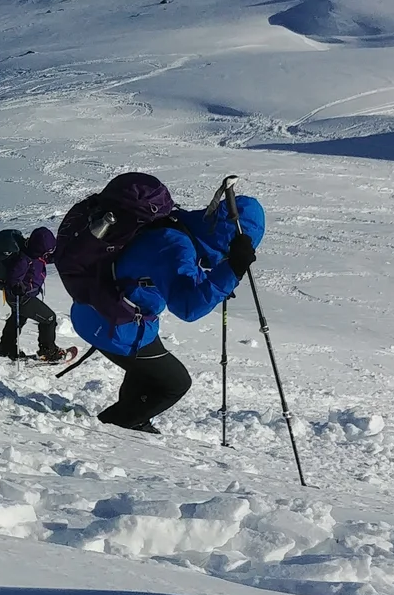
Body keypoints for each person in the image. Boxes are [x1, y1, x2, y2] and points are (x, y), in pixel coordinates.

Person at [55, 173, 261, 434]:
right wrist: (231, 270)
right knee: (174, 383)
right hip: (112, 325)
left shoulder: (181, 224)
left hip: (98, 310)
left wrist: (218, 276)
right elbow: (187, 307)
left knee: (149, 368)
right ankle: (114, 426)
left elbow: (175, 269)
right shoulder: (175, 246)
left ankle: (133, 417)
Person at [0, 227, 67, 362]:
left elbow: (47, 258)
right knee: (49, 318)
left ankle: (6, 346)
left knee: (18, 319)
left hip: (19, 297)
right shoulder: (25, 259)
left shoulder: (35, 253)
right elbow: (13, 278)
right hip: (22, 298)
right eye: (47, 250)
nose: (48, 253)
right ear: (39, 248)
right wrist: (18, 286)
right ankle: (48, 351)